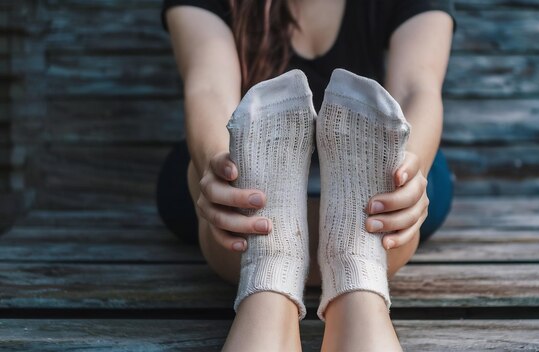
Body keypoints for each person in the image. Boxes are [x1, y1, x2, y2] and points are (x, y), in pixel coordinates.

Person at [157, 0, 456, 350]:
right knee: (202, 183)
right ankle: (325, 264)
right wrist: (219, 167)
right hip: (249, 183)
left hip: (365, 177)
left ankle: (313, 263)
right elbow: (208, 88)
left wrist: (407, 170)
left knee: (413, 183)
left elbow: (416, 89)